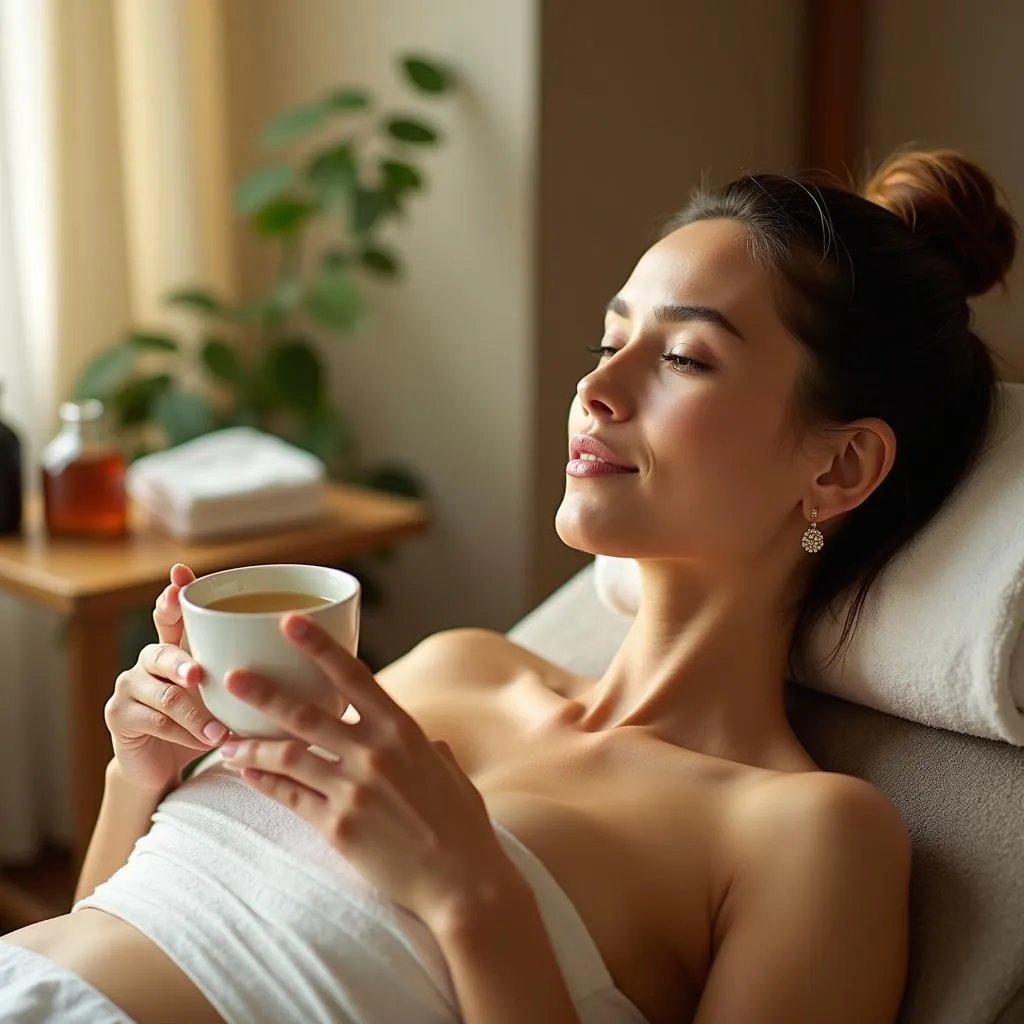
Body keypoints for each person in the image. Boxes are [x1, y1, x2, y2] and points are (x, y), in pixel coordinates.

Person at [1, 148, 1016, 1024]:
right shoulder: (460, 664)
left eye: (683, 356)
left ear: (836, 469)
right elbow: (107, 935)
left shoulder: (804, 836)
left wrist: (471, 895)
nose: (596, 389)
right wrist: (137, 774)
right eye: (607, 341)